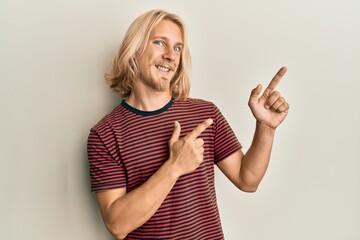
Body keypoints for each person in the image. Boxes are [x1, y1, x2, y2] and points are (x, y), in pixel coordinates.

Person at [87, 9, 289, 240]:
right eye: (160, 43)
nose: (171, 56)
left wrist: (266, 128)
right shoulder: (105, 134)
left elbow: (248, 180)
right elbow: (117, 225)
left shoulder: (205, 113)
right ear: (134, 50)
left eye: (177, 48)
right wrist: (174, 167)